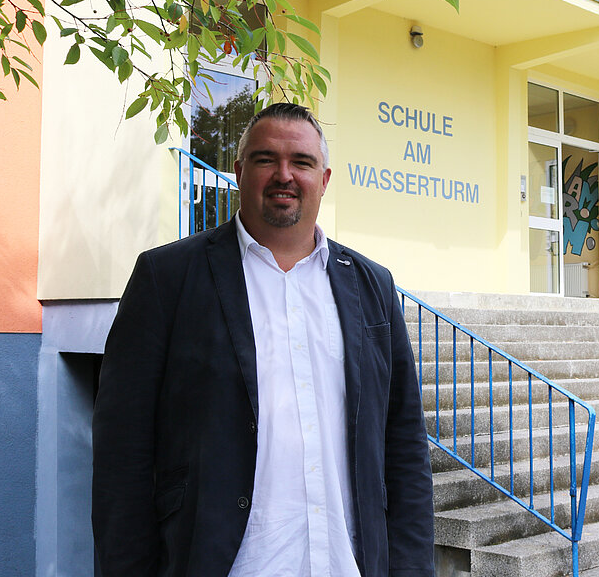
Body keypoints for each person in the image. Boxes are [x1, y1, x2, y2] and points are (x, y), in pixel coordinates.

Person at [92, 103, 434, 577]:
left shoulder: (372, 286)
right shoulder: (166, 279)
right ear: (238, 171)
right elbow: (122, 456)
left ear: (325, 178)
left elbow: (405, 447)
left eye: (302, 162)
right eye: (265, 159)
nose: (284, 175)